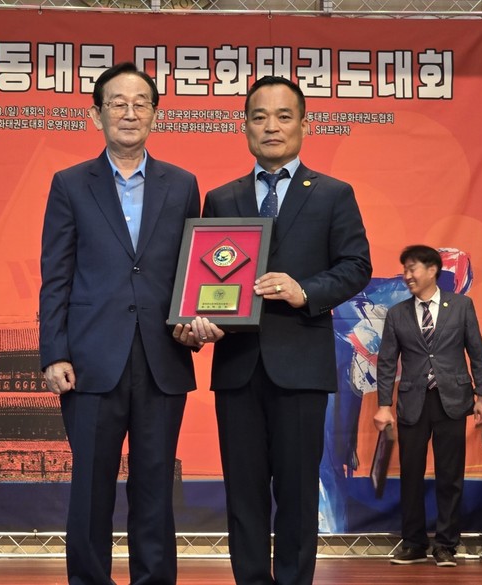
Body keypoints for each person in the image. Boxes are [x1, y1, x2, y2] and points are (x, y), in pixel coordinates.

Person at [175, 75, 372, 585]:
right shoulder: (222, 198)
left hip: (301, 369)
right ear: (245, 127)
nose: (271, 127)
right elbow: (208, 273)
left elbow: (356, 266)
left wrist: (304, 290)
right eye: (259, 116)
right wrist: (204, 319)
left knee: (298, 494)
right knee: (243, 496)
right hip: (237, 368)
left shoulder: (333, 194)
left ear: (304, 124)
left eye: (284, 116)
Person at [38, 62, 215, 585]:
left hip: (162, 356)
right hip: (91, 360)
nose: (130, 112)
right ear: (97, 115)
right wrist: (54, 352)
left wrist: (198, 318)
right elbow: (56, 275)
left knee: (155, 484)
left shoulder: (181, 185)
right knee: (91, 485)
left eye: (141, 103)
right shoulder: (70, 184)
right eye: (117, 103)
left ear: (156, 114)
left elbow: (194, 270)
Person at [373, 245, 482, 568]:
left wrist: (481, 396)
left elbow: (476, 352)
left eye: (412, 269)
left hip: (453, 400)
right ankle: (413, 543)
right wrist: (384, 405)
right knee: (410, 474)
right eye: (405, 270)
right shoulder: (397, 313)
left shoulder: (461, 306)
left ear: (432, 270)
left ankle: (447, 545)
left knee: (450, 475)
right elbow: (386, 363)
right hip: (412, 402)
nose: (407, 276)